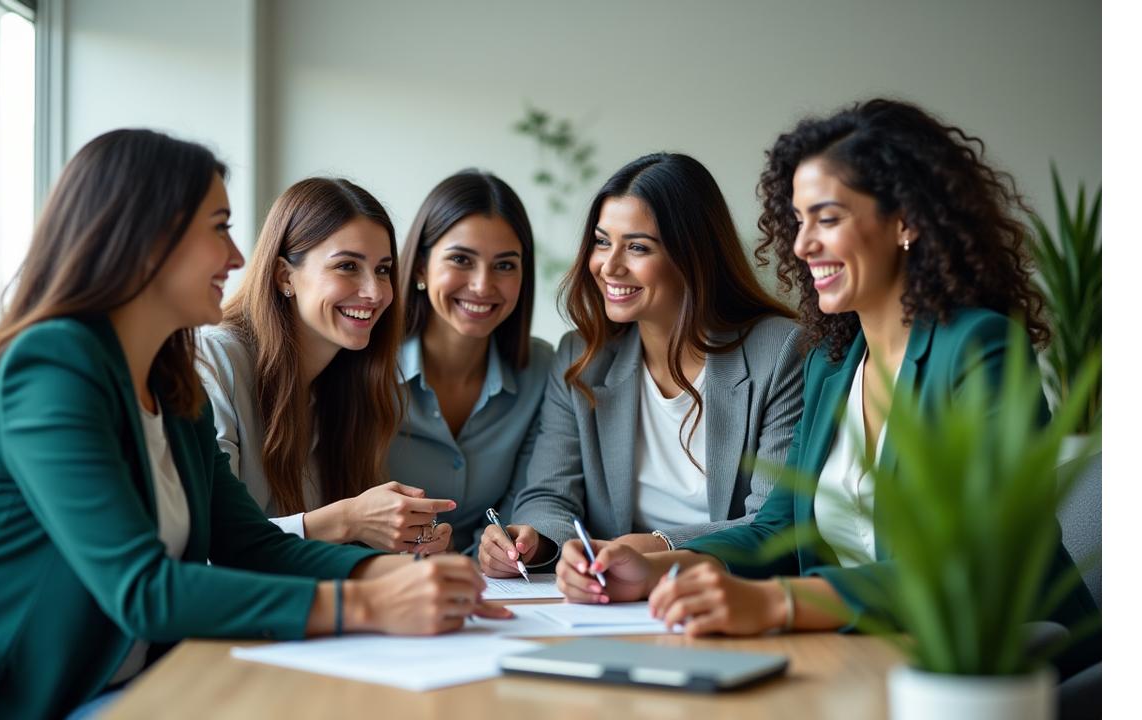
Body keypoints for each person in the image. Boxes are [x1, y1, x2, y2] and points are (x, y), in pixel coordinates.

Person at [0, 130, 506, 718]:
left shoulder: (169, 377)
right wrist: (368, 602)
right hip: (6, 702)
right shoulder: (50, 367)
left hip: (129, 689)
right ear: (146, 238)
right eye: (219, 229)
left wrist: (403, 576)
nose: (239, 257)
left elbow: (250, 545)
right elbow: (143, 590)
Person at [552, 99, 1099, 677]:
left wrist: (775, 602)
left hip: (1006, 671)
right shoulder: (835, 365)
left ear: (906, 221)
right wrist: (664, 566)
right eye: (799, 220)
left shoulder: (979, 348)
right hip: (864, 655)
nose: (801, 244)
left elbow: (972, 566)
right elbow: (781, 529)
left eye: (828, 218)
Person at [480, 152, 805, 577]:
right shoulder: (582, 356)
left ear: (693, 254)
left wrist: (659, 546)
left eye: (637, 247)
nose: (609, 266)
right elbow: (549, 495)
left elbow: (774, 523)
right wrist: (535, 542)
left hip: (727, 592)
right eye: (601, 241)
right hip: (611, 599)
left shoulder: (780, 351)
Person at [196, 178, 456, 554]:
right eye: (348, 266)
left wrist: (402, 549)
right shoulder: (216, 359)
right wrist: (350, 519)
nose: (375, 292)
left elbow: (320, 557)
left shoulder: (350, 380)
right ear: (285, 276)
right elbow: (211, 544)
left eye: (383, 270)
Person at [387, 170, 554, 554]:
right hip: (378, 580)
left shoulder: (542, 370)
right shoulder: (363, 365)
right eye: (461, 259)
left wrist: (506, 548)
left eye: (505, 265)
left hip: (493, 587)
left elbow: (525, 504)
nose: (482, 285)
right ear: (419, 268)